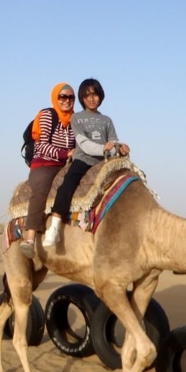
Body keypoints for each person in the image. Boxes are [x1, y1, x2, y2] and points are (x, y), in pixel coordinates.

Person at [43, 78, 130, 248]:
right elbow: (83, 143)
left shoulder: (107, 120)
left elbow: (113, 141)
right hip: (83, 159)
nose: (92, 98)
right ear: (82, 98)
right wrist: (105, 148)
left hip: (104, 162)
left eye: (95, 94)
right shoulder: (77, 118)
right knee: (67, 184)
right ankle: (54, 227)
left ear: (101, 96)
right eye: (87, 95)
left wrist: (120, 149)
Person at [19, 82, 76, 258]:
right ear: (55, 98)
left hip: (65, 165)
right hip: (45, 164)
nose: (67, 101)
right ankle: (30, 238)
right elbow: (42, 145)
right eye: (63, 97)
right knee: (42, 188)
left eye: (71, 97)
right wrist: (65, 153)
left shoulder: (76, 121)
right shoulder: (47, 115)